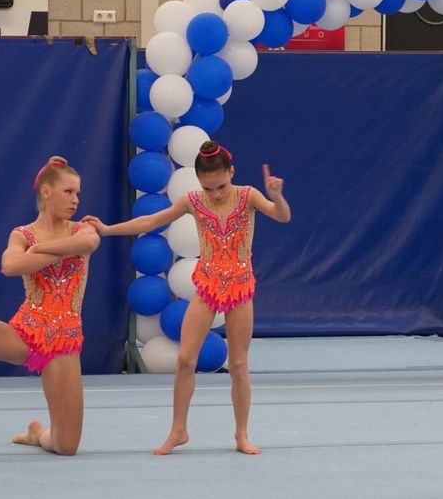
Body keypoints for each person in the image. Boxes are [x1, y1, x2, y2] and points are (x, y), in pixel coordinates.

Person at [84, 140, 290, 456]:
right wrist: (107, 229)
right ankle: (178, 430)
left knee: (237, 363)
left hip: (239, 287)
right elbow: (150, 222)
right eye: (209, 188)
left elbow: (282, 216)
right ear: (199, 183)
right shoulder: (193, 201)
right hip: (208, 284)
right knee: (184, 360)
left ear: (231, 172)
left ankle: (241, 434)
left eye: (221, 185)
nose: (217, 194)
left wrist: (276, 196)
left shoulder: (248, 195)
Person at [0, 157, 100, 465]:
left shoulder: (84, 229)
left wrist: (40, 250)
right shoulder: (22, 234)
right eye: (68, 192)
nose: (75, 200)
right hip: (25, 331)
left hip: (64, 341)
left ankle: (38, 433)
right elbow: (10, 265)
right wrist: (48, 249)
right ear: (46, 192)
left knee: (66, 446)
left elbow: (89, 244)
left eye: (78, 194)